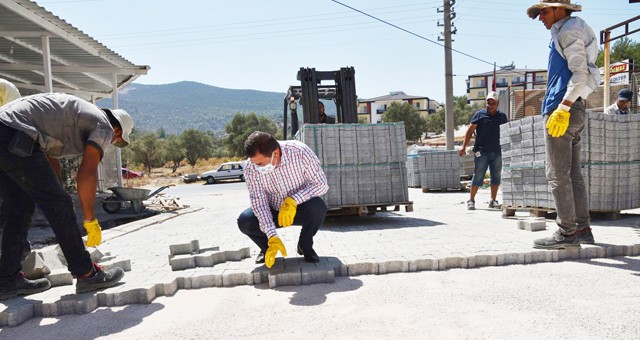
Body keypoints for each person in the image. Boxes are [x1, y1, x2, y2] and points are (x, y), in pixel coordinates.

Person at [0, 93, 132, 300]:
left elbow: (48, 162)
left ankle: (7, 279)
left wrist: (56, 196)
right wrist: (90, 219)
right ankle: (86, 273)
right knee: (59, 203)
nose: (111, 142)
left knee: (19, 206)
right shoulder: (104, 125)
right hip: (14, 132)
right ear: (116, 130)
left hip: (7, 131)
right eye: (116, 140)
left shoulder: (72, 118)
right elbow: (87, 173)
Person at [527, 0, 600, 249]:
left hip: (563, 108)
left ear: (560, 9)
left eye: (544, 12)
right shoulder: (576, 28)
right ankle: (583, 228)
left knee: (557, 174)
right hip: (576, 107)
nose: (540, 18)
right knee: (573, 174)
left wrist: (562, 107)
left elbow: (579, 73)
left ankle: (566, 232)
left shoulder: (568, 30)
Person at [237, 131, 329, 268]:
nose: (257, 168)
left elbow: (321, 185)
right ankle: (268, 248)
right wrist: (271, 235)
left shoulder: (300, 152)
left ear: (276, 153)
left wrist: (293, 200)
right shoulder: (251, 168)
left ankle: (305, 246)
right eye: (254, 163)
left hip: (299, 208)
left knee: (318, 207)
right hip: (273, 209)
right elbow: (259, 202)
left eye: (261, 164)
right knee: (245, 220)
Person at [458, 92, 508, 210]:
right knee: (478, 175)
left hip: (497, 152)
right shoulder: (479, 115)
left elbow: (507, 132)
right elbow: (470, 131)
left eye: (493, 103)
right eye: (488, 103)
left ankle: (493, 200)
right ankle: (471, 200)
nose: (490, 105)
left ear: (497, 104)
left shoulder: (502, 117)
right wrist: (463, 146)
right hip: (482, 152)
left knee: (496, 176)